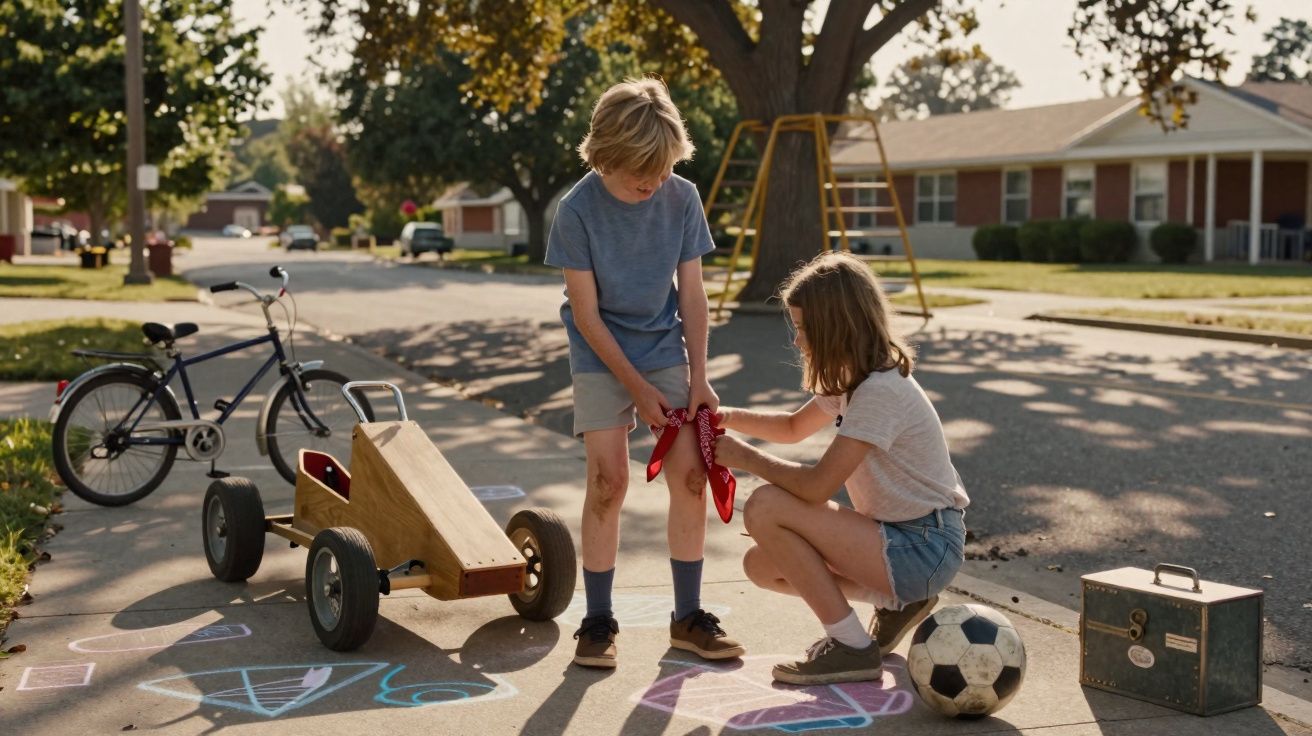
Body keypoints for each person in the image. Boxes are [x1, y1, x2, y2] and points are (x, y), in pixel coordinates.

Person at [544, 77, 744, 669]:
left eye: (662, 169)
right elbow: (585, 314)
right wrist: (636, 389)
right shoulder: (576, 211)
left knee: (690, 478)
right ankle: (598, 619)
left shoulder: (681, 198)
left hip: (664, 348)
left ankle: (687, 618)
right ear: (607, 154)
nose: (652, 182)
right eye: (641, 172)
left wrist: (699, 377)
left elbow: (692, 294)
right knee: (609, 482)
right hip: (600, 351)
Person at [712, 252, 968, 685]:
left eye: (805, 329)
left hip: (924, 546)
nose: (798, 341)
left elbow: (815, 487)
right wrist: (727, 416)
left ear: (838, 328)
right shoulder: (854, 378)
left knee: (766, 505)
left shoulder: (880, 391)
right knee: (762, 564)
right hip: (902, 541)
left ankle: (851, 646)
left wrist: (745, 457)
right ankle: (897, 604)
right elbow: (793, 427)